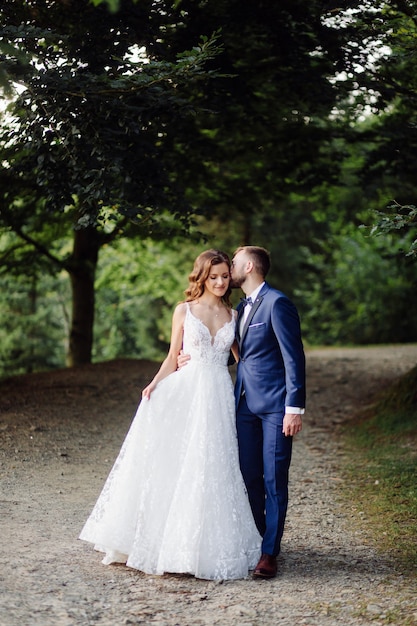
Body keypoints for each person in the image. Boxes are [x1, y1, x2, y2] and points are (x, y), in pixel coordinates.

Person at [79, 249, 261, 581]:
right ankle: (160, 541)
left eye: (224, 276)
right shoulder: (184, 310)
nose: (220, 282)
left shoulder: (233, 316)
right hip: (186, 391)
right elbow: (171, 357)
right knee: (175, 461)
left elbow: (244, 358)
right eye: (213, 276)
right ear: (202, 277)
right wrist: (153, 384)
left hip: (218, 393)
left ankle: (200, 547)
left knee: (211, 464)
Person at [179, 245, 306, 579]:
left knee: (273, 478)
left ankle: (269, 554)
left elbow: (294, 358)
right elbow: (238, 353)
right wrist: (187, 356)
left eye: (232, 264)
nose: (228, 270)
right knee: (248, 476)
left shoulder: (278, 304)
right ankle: (259, 539)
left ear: (248, 266)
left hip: (276, 407)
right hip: (243, 405)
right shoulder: (237, 308)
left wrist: (294, 408)